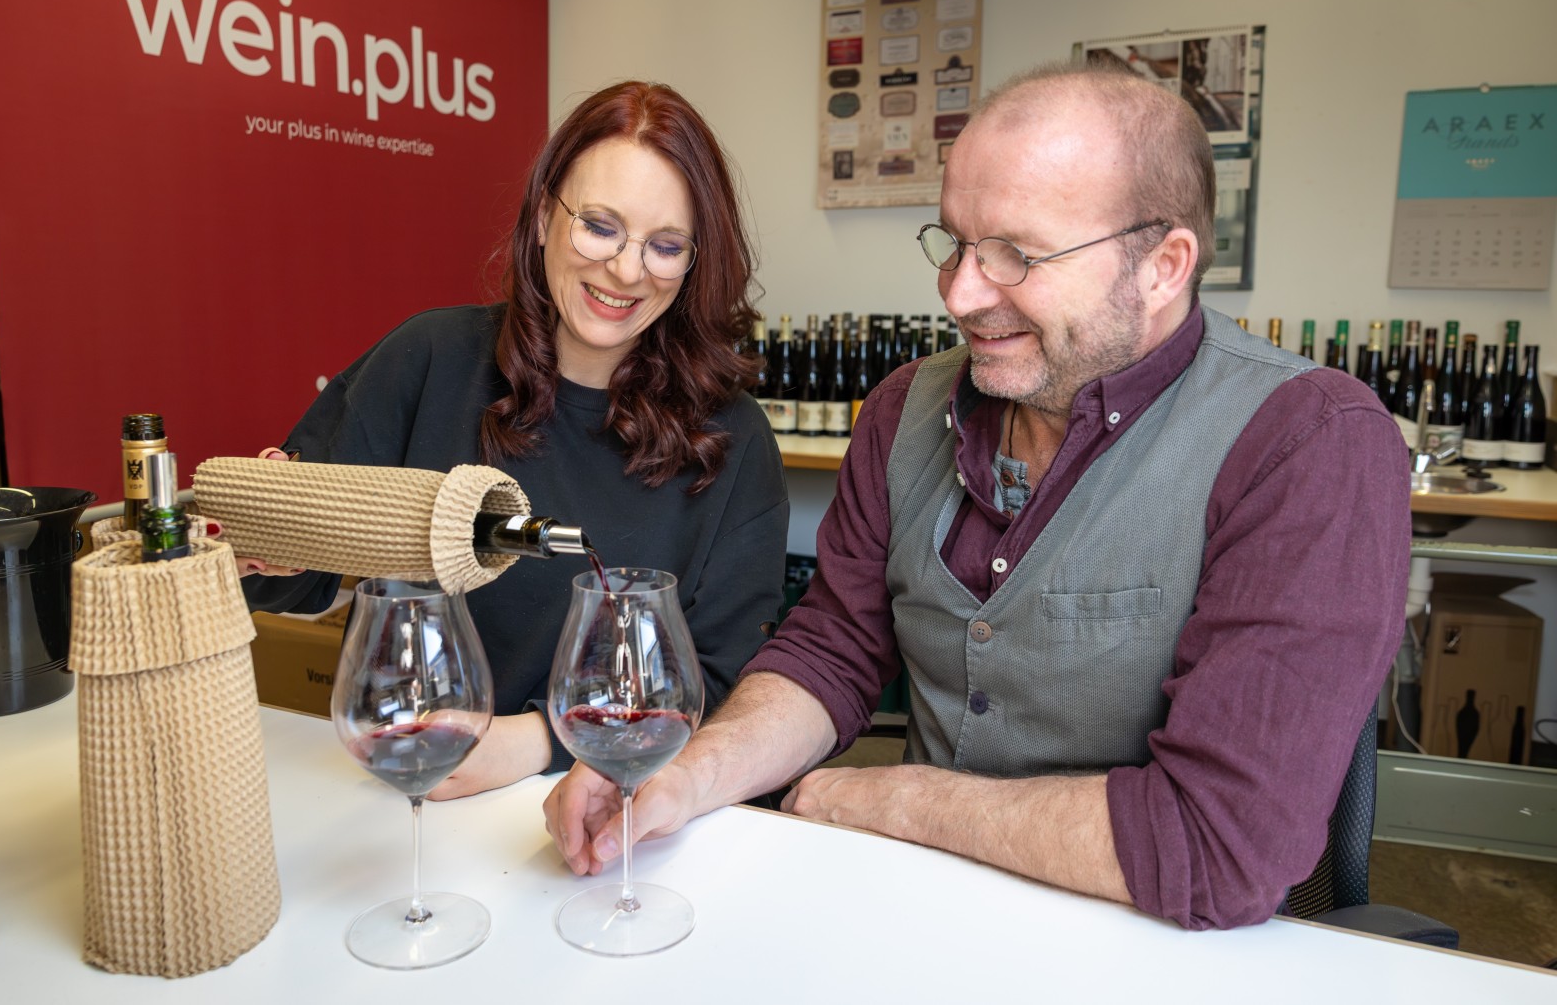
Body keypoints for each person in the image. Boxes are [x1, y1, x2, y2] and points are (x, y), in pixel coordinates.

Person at [544, 61, 1411, 931]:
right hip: (916, 918)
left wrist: (898, 803)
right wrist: (688, 773)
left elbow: (1215, 848)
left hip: (1153, 943)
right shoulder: (902, 408)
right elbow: (831, 651)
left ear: (1162, 266)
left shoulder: (1310, 444)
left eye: (1015, 256)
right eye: (955, 242)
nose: (959, 293)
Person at [240, 81, 789, 799]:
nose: (626, 270)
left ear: (692, 263)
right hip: (403, 791)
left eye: (664, 246)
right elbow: (299, 576)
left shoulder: (733, 439)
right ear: (541, 217)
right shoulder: (426, 360)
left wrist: (533, 741)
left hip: (612, 803)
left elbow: (722, 682)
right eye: (599, 225)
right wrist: (259, 543)